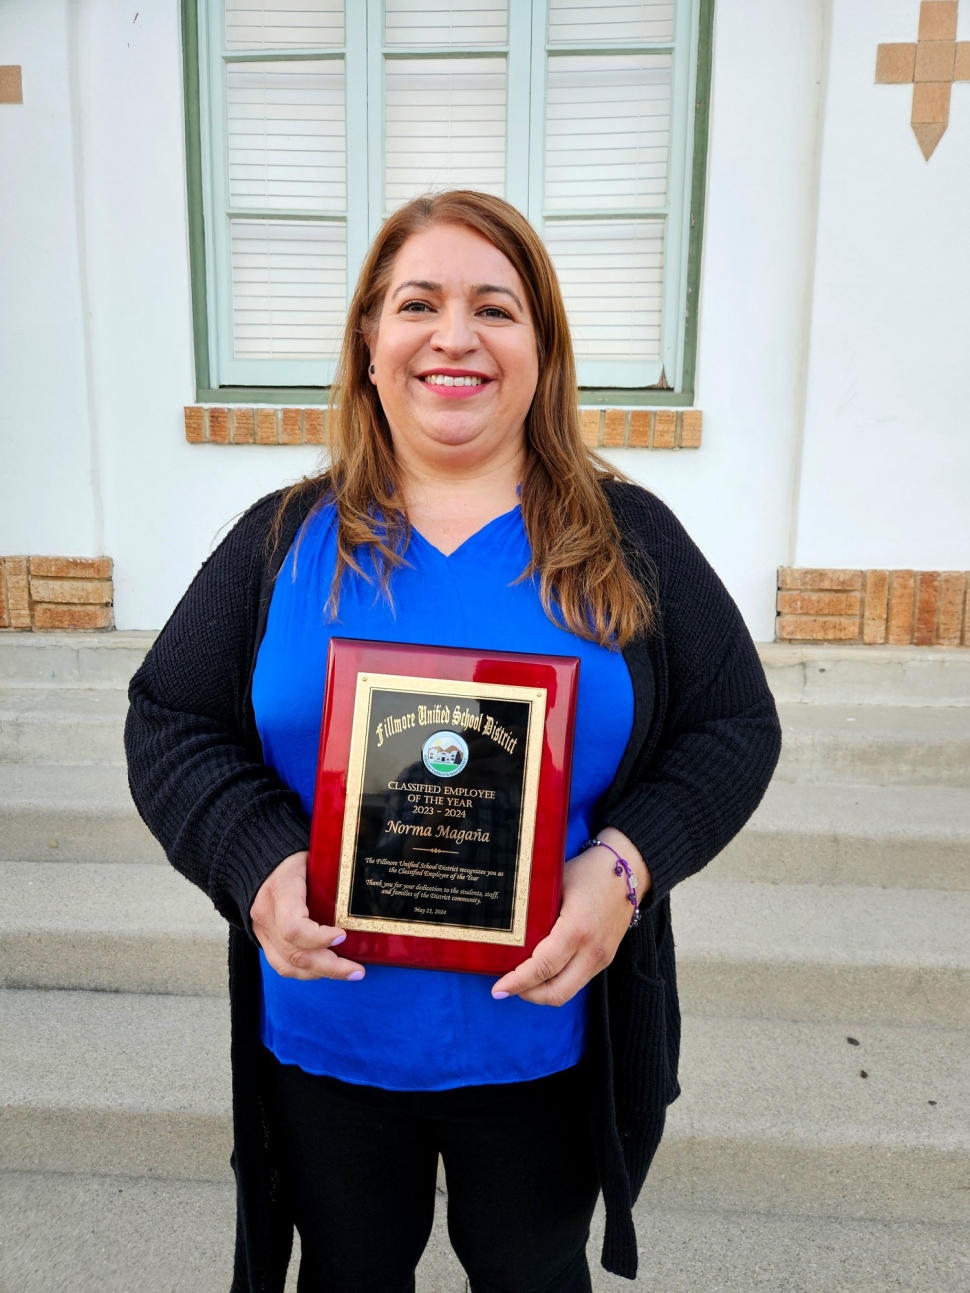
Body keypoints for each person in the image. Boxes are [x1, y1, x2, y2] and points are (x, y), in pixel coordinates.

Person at [125, 190, 781, 1293]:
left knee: (535, 1275)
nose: (455, 337)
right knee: (346, 1275)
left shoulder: (629, 542)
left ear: (542, 348)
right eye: (418, 304)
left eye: (496, 308)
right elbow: (170, 719)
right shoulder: (283, 540)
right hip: (328, 1035)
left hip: (544, 1040)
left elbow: (732, 726)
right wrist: (256, 858)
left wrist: (625, 868)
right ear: (369, 344)